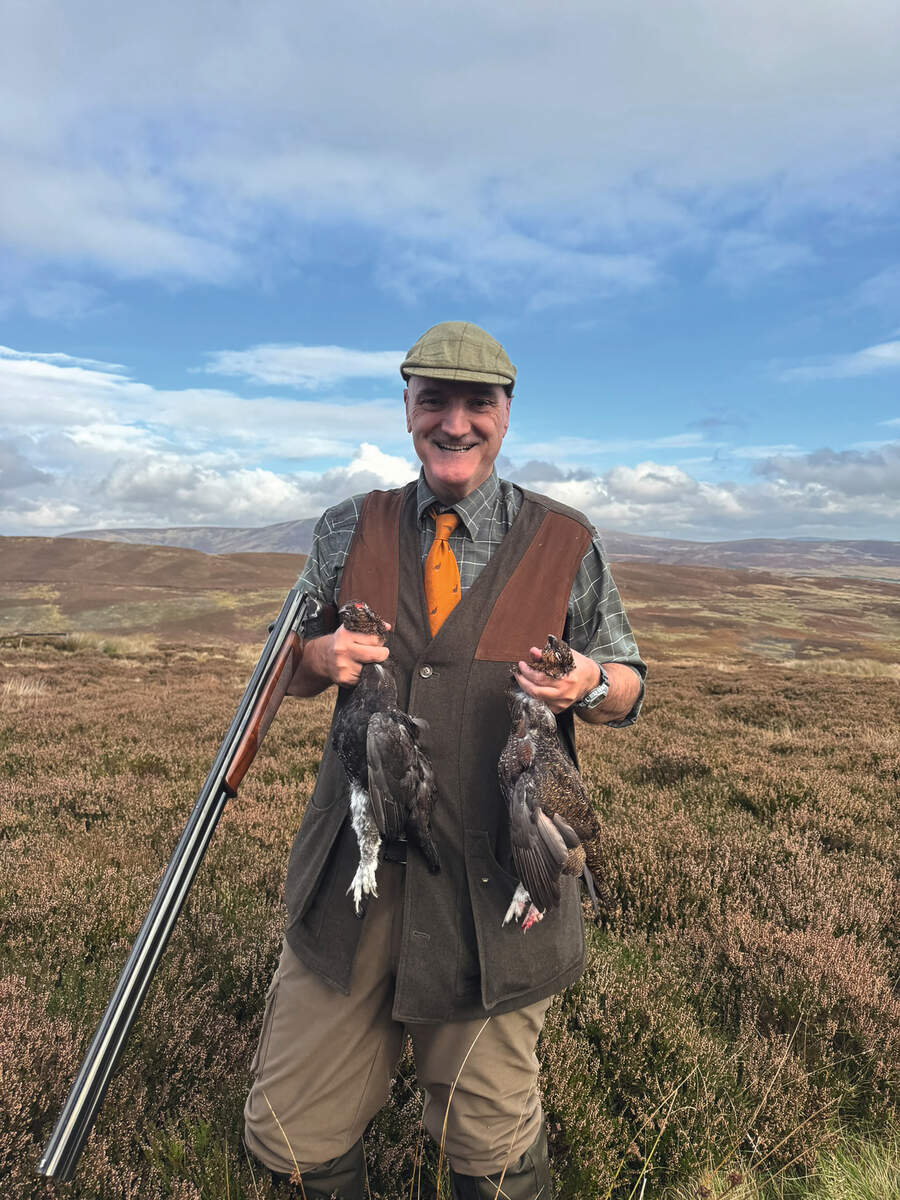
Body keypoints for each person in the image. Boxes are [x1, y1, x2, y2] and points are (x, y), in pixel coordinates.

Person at [244, 321, 646, 1199]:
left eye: (478, 404)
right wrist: (314, 661)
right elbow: (280, 672)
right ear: (407, 409)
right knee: (290, 1137)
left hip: (496, 895)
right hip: (352, 887)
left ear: (506, 415)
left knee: (492, 1155)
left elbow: (630, 688)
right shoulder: (347, 527)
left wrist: (586, 682)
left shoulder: (565, 542)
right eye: (436, 401)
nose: (455, 422)